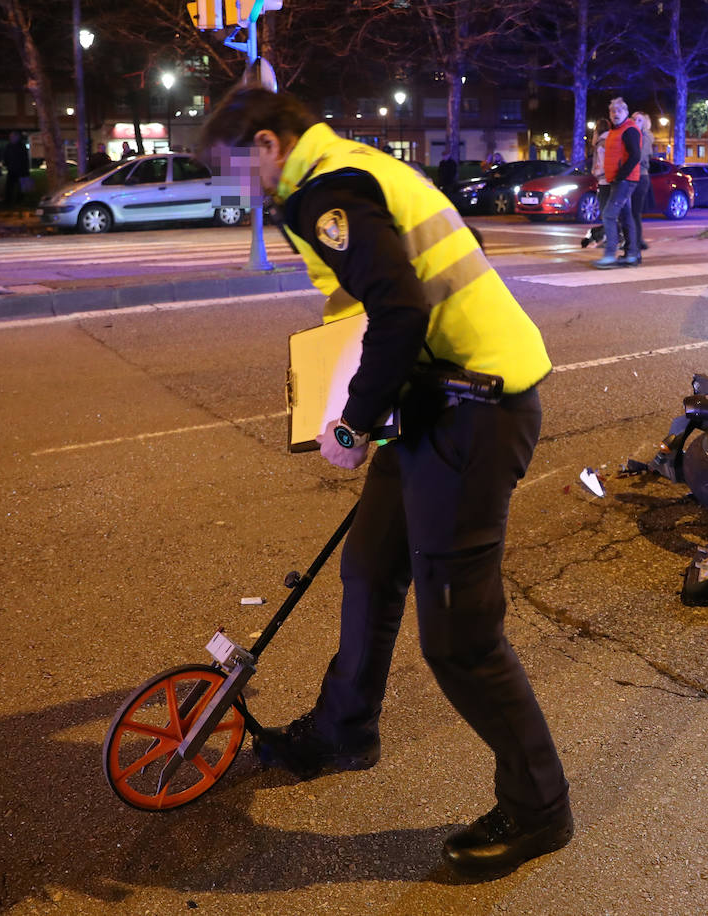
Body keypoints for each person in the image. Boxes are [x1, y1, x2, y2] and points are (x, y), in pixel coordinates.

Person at [200, 87, 573, 876]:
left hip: (476, 409)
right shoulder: (353, 166)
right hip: (439, 396)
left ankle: (540, 808)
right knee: (370, 563)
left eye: (232, 167)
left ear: (266, 144)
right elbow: (393, 298)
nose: (234, 185)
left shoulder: (322, 192)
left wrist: (355, 422)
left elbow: (398, 308)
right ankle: (345, 730)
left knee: (459, 637)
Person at [592, 97, 640, 269]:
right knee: (625, 216)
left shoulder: (629, 130)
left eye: (619, 110)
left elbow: (636, 155)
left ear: (626, 113)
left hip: (624, 180)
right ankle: (631, 254)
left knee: (609, 215)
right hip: (617, 180)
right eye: (613, 111)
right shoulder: (615, 131)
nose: (615, 114)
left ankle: (610, 255)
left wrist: (621, 176)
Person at [626, 111, 654, 257]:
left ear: (645, 123)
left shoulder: (645, 136)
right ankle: (636, 241)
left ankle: (636, 243)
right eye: (633, 118)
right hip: (633, 176)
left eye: (639, 120)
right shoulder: (632, 135)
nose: (635, 121)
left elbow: (640, 156)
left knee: (634, 212)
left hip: (640, 176)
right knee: (630, 212)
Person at [580, 117, 610, 249]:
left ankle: (608, 239)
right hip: (609, 181)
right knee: (609, 212)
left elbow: (602, 164)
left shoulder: (601, 143)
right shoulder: (609, 140)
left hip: (605, 181)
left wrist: (596, 171)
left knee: (605, 211)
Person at [3, 131, 30, 205]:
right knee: (9, 186)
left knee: (20, 187)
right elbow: (6, 156)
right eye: (10, 137)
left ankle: (19, 200)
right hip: (11, 169)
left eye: (12, 137)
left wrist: (25, 169)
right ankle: (8, 200)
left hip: (20, 169)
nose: (11, 138)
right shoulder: (9, 146)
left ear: (17, 137)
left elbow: (25, 159)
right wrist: (7, 164)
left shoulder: (21, 146)